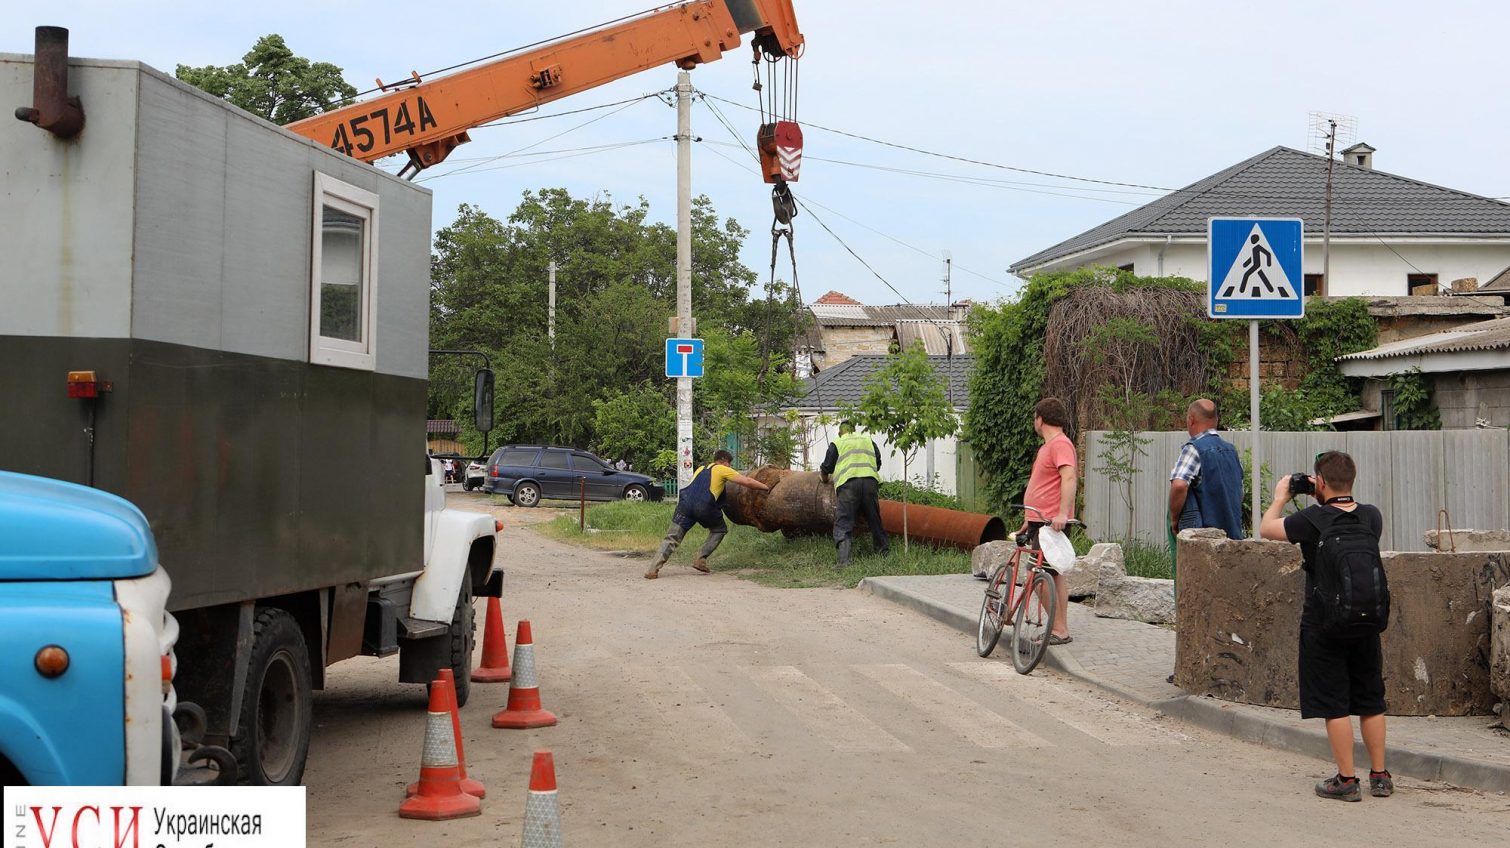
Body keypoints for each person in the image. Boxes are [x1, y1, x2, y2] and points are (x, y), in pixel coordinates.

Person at [1260, 451, 1392, 802]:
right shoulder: (1371, 517)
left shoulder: (1311, 520)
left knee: (1335, 704)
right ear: (1352, 479)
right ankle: (1380, 776)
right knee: (1370, 700)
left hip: (1324, 625)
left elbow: (1266, 528)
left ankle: (1346, 780)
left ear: (1320, 482)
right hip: (1366, 623)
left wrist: (1280, 497)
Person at [645, 450, 770, 579]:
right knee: (719, 530)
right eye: (729, 463)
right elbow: (747, 481)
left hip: (684, 505)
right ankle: (700, 557)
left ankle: (652, 570)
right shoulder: (722, 469)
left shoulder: (700, 469)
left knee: (671, 538)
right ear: (725, 460)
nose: (730, 466)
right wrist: (766, 487)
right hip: (704, 506)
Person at [1019, 398, 1077, 645]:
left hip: (1050, 524)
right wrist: (1027, 519)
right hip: (1039, 521)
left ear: (1040, 419)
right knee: (1054, 575)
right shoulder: (1049, 446)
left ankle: (1058, 629)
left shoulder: (1060, 445)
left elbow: (1069, 476)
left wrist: (1062, 513)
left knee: (1038, 573)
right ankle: (1060, 627)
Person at [1168, 398, 1245, 544]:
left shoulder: (1193, 449)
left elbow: (1179, 485)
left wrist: (1174, 519)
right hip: (1233, 540)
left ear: (1190, 420)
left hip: (1203, 542)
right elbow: (1239, 493)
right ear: (1216, 420)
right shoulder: (1232, 451)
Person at [819, 421, 890, 567]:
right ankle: (883, 553)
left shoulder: (838, 442)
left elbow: (827, 467)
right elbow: (877, 462)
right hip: (870, 483)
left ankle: (843, 562)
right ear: (854, 430)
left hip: (848, 485)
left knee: (843, 521)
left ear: (840, 432)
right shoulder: (867, 439)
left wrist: (824, 478)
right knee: (874, 519)